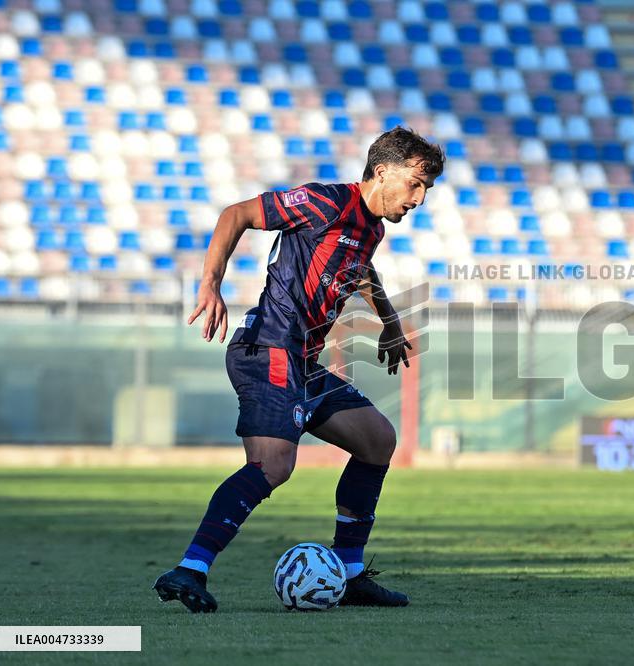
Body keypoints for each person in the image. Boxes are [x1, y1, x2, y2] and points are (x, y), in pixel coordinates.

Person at [153, 127, 444, 613]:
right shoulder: (325, 202)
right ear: (381, 172)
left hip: (301, 363)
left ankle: (349, 573)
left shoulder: (371, 229)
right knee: (273, 465)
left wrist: (390, 321)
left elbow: (359, 270)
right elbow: (237, 214)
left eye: (426, 189)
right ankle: (190, 569)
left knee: (377, 440)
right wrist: (210, 283)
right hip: (266, 349)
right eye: (415, 184)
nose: (419, 198)